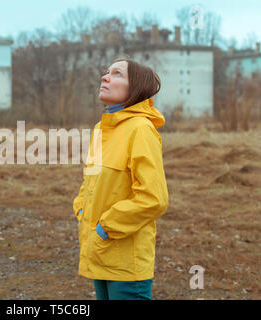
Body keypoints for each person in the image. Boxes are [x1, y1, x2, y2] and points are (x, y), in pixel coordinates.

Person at [72, 57, 169, 300]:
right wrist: (82, 211)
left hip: (126, 261)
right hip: (99, 250)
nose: (105, 77)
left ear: (135, 87)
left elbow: (153, 198)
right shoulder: (101, 129)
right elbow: (90, 181)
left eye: (117, 74)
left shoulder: (140, 129)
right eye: (106, 72)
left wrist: (106, 227)